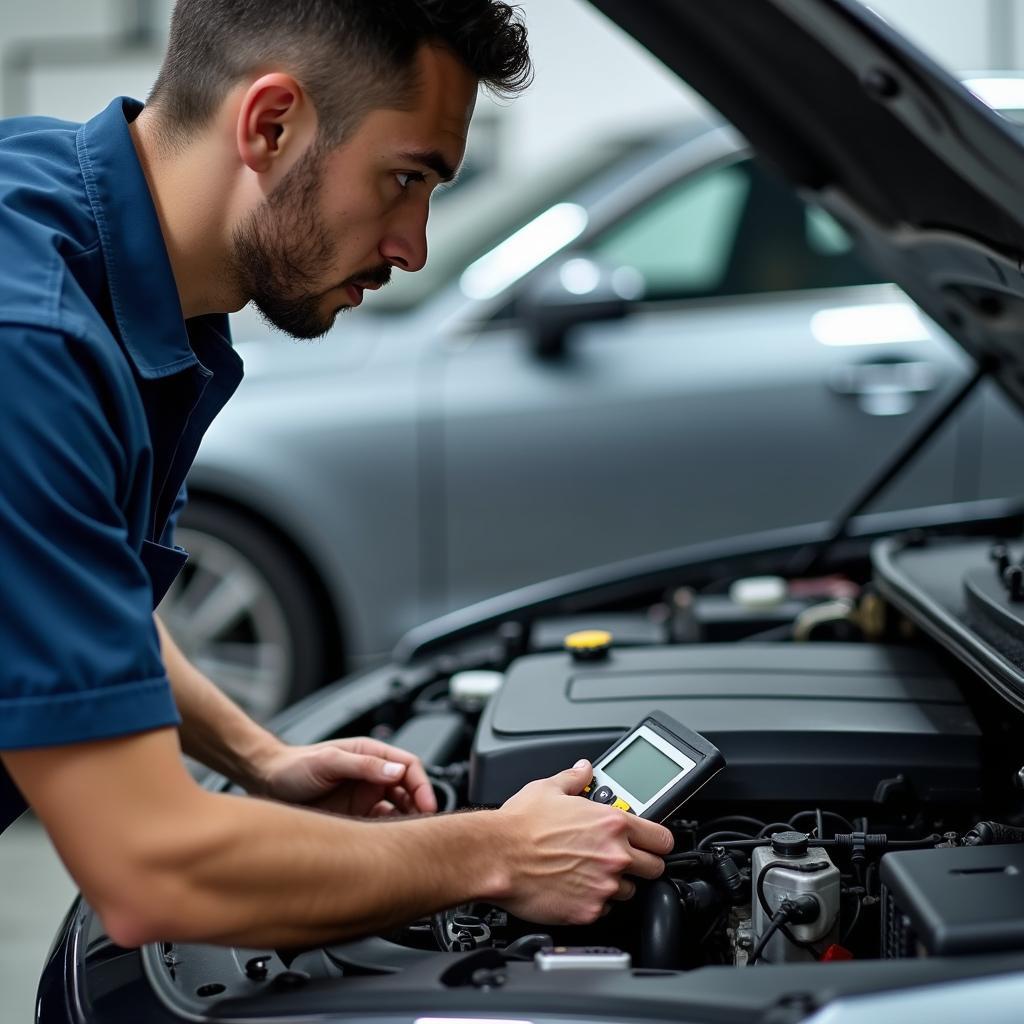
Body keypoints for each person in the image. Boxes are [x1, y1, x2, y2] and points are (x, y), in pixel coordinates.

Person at [0, 0, 672, 949]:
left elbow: (79, 590)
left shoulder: (75, 213)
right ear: (269, 125)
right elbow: (150, 867)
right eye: (404, 178)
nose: (414, 246)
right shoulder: (31, 346)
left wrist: (260, 756)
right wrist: (498, 854)